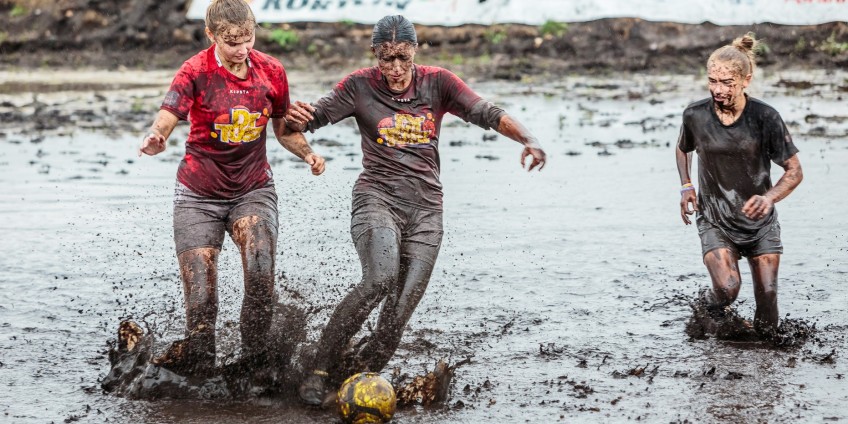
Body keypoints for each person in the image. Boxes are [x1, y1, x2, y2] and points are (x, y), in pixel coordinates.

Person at [284, 15, 547, 405]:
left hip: (426, 210)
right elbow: (296, 124)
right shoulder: (358, 86)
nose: (394, 68)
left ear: (415, 52)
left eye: (402, 58)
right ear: (375, 54)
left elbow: (487, 112)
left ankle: (356, 380)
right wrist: (295, 127)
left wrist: (529, 139)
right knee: (380, 279)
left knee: (398, 314)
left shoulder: (438, 82)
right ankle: (320, 370)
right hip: (377, 199)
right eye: (386, 58)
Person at [138, 0, 325, 375]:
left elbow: (284, 128)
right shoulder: (194, 71)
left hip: (252, 188)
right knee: (202, 296)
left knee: (260, 270)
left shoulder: (271, 71)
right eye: (232, 42)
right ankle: (201, 373)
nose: (242, 50)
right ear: (212, 36)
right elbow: (170, 112)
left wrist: (307, 153)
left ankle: (253, 366)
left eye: (248, 39)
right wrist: (158, 136)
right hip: (198, 193)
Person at [676, 33, 803, 339]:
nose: (718, 90)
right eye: (712, 81)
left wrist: (770, 198)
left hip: (760, 223)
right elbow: (684, 148)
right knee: (728, 288)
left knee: (768, 298)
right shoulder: (695, 115)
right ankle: (706, 311)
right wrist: (686, 186)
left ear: (746, 80)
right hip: (716, 219)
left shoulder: (765, 118)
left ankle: (764, 367)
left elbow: (794, 171)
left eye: (726, 82)